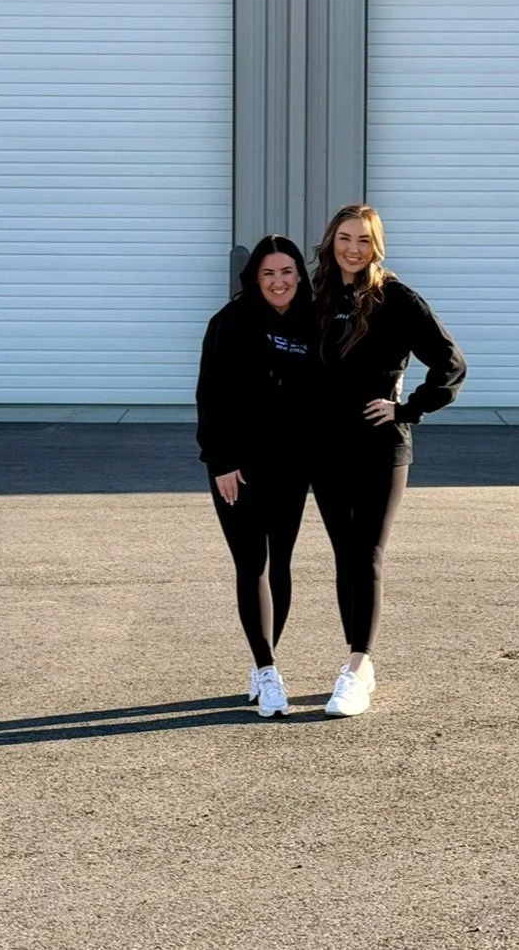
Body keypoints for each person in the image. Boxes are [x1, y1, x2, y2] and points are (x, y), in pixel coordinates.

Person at [309, 203, 465, 717]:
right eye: (345, 238)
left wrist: (408, 408)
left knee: (367, 554)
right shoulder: (320, 296)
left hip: (380, 446)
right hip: (326, 448)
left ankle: (355, 669)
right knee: (344, 557)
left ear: (377, 246)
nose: (354, 248)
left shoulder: (396, 298)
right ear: (332, 241)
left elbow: (450, 362)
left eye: (364, 240)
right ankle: (360, 659)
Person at [195, 234, 319, 718]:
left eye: (287, 272)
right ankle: (267, 670)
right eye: (268, 274)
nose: (279, 281)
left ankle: (264, 661)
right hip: (238, 467)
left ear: (299, 275)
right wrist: (220, 459)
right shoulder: (230, 322)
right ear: (254, 279)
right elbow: (210, 394)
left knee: (281, 563)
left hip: (292, 463)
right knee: (253, 563)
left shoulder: (314, 320)